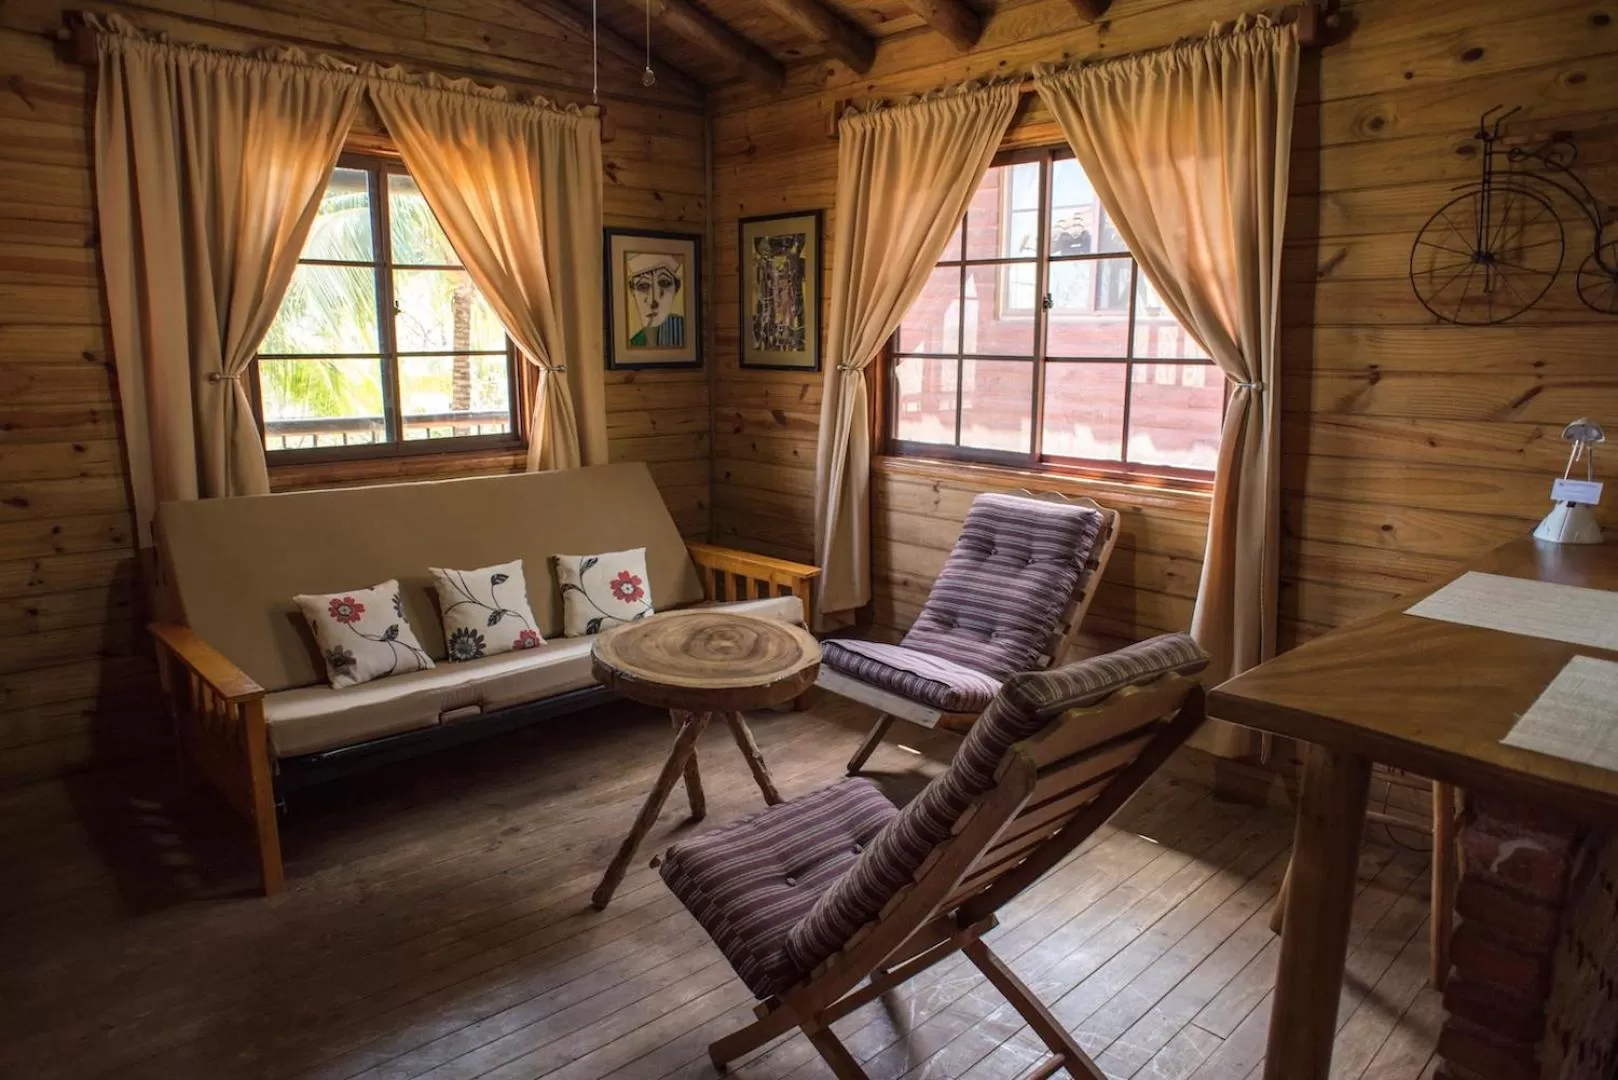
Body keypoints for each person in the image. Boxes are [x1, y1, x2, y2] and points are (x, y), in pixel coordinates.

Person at [626, 252, 685, 348]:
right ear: (632, 290)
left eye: (664, 283)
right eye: (643, 286)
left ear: (676, 288)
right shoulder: (634, 343)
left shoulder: (685, 332)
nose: (653, 301)